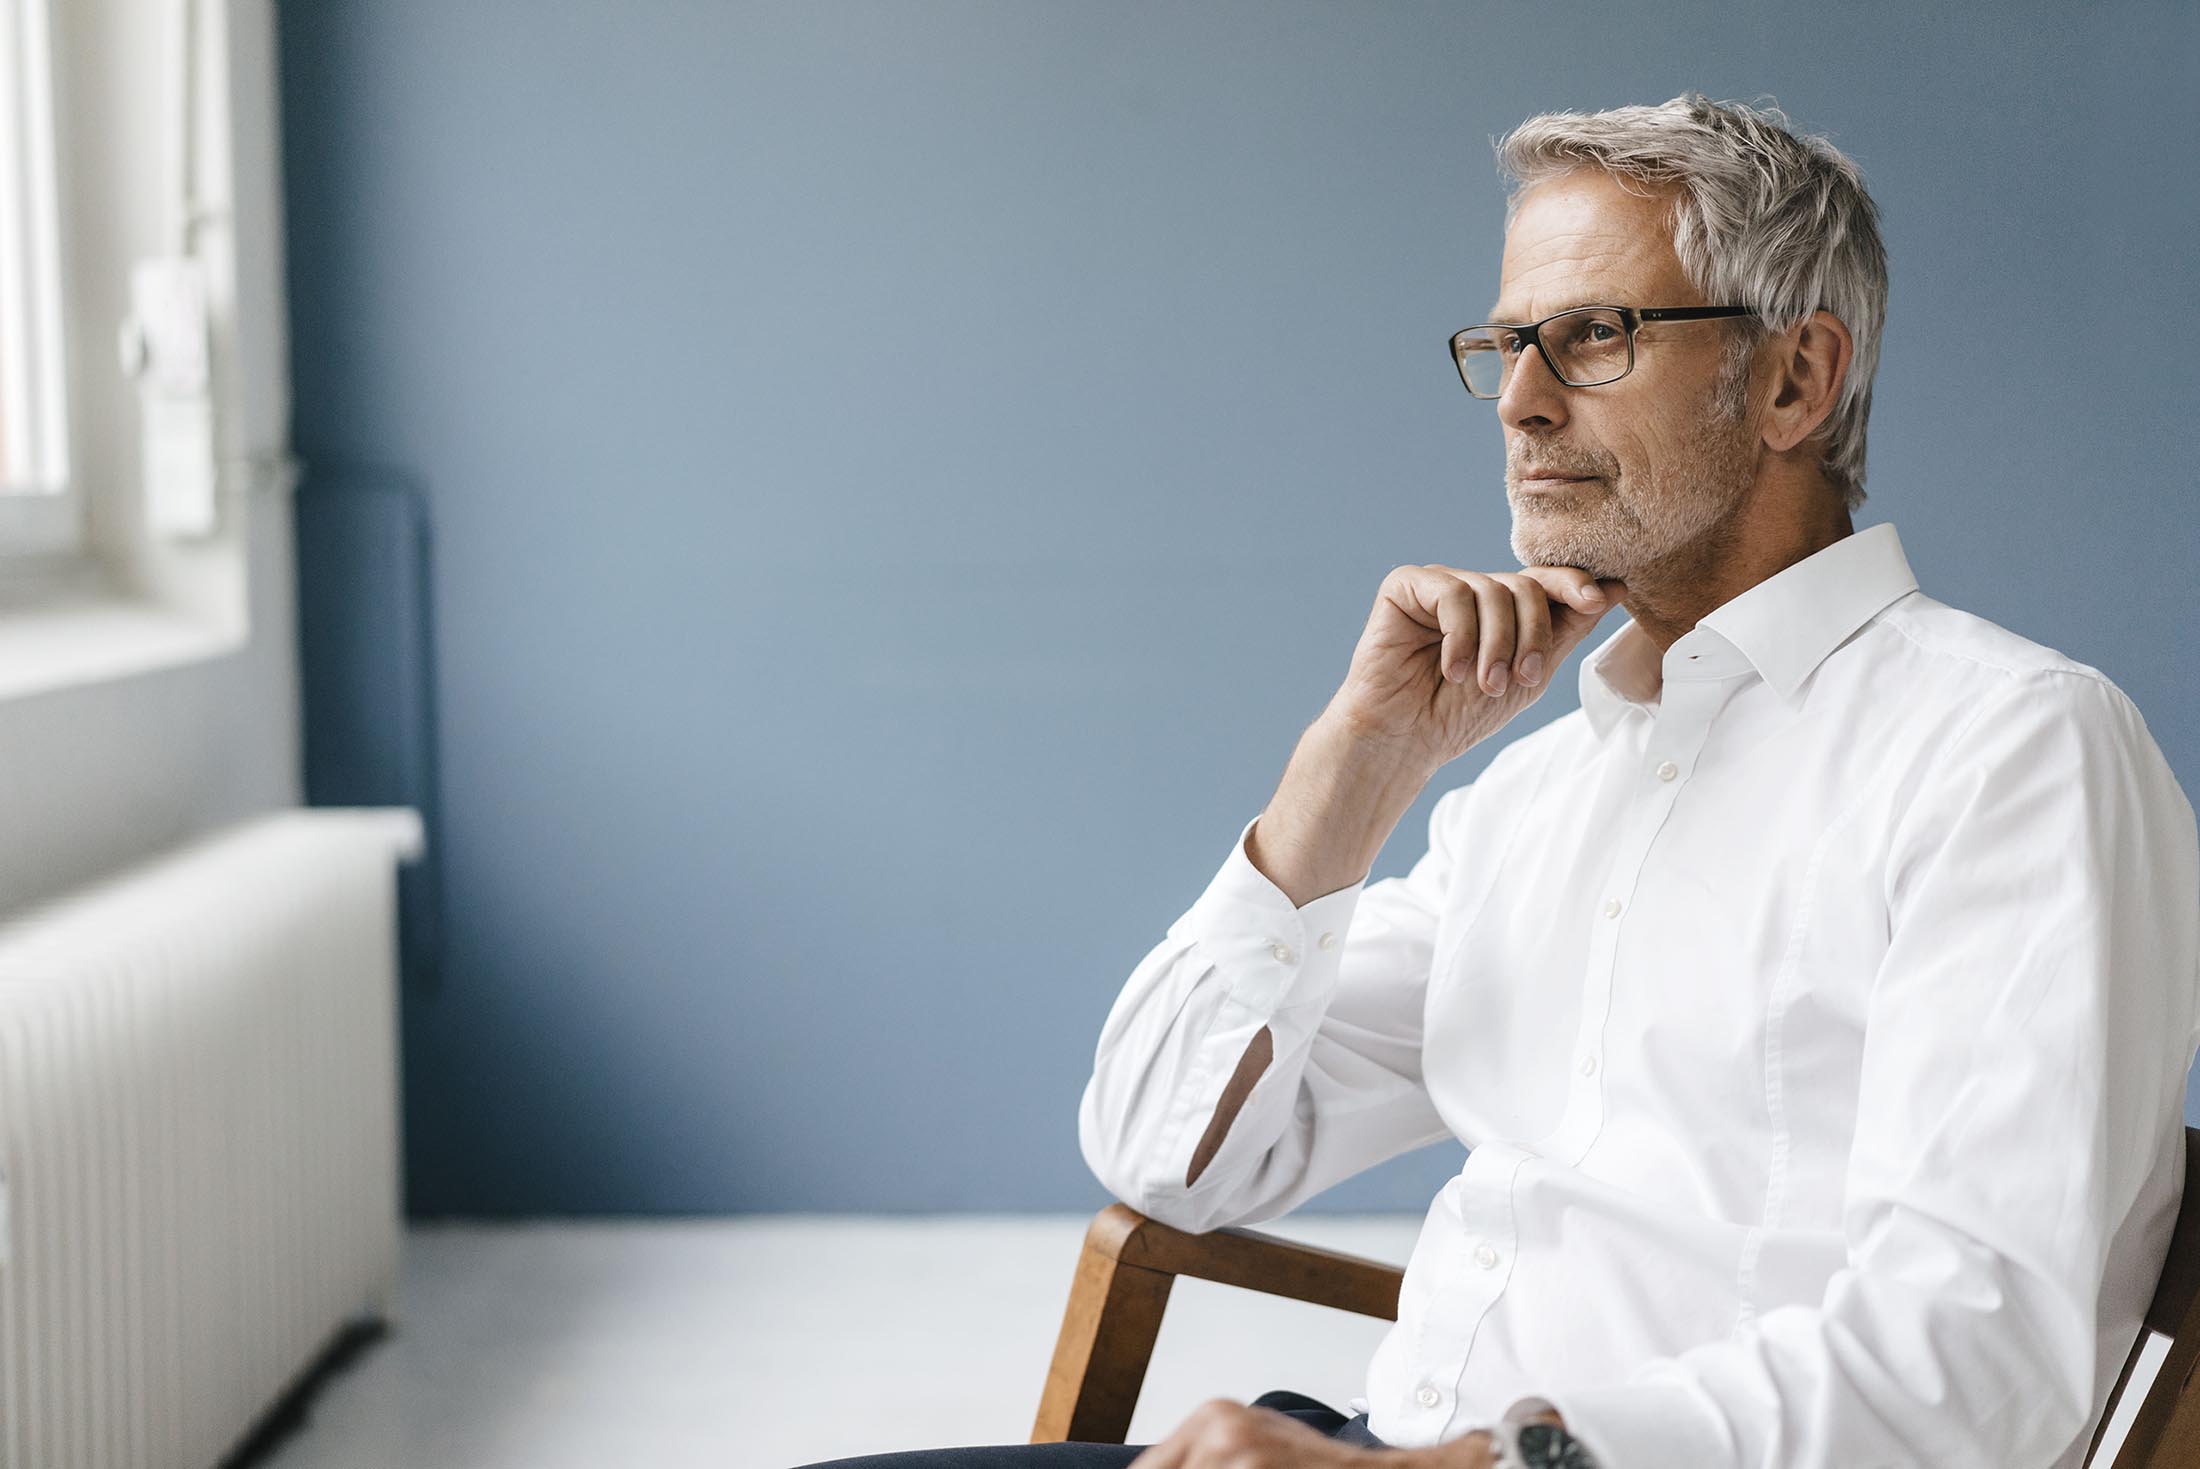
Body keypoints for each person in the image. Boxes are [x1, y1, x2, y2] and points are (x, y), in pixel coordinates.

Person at [801, 92, 2200, 1469]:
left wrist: (1475, 1464)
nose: (1522, 404)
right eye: (1505, 343)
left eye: (1594, 337)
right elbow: (1166, 1154)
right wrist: (1357, 761)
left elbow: (1978, 1359)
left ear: (1794, 378)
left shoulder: (2011, 751)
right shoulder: (1536, 800)